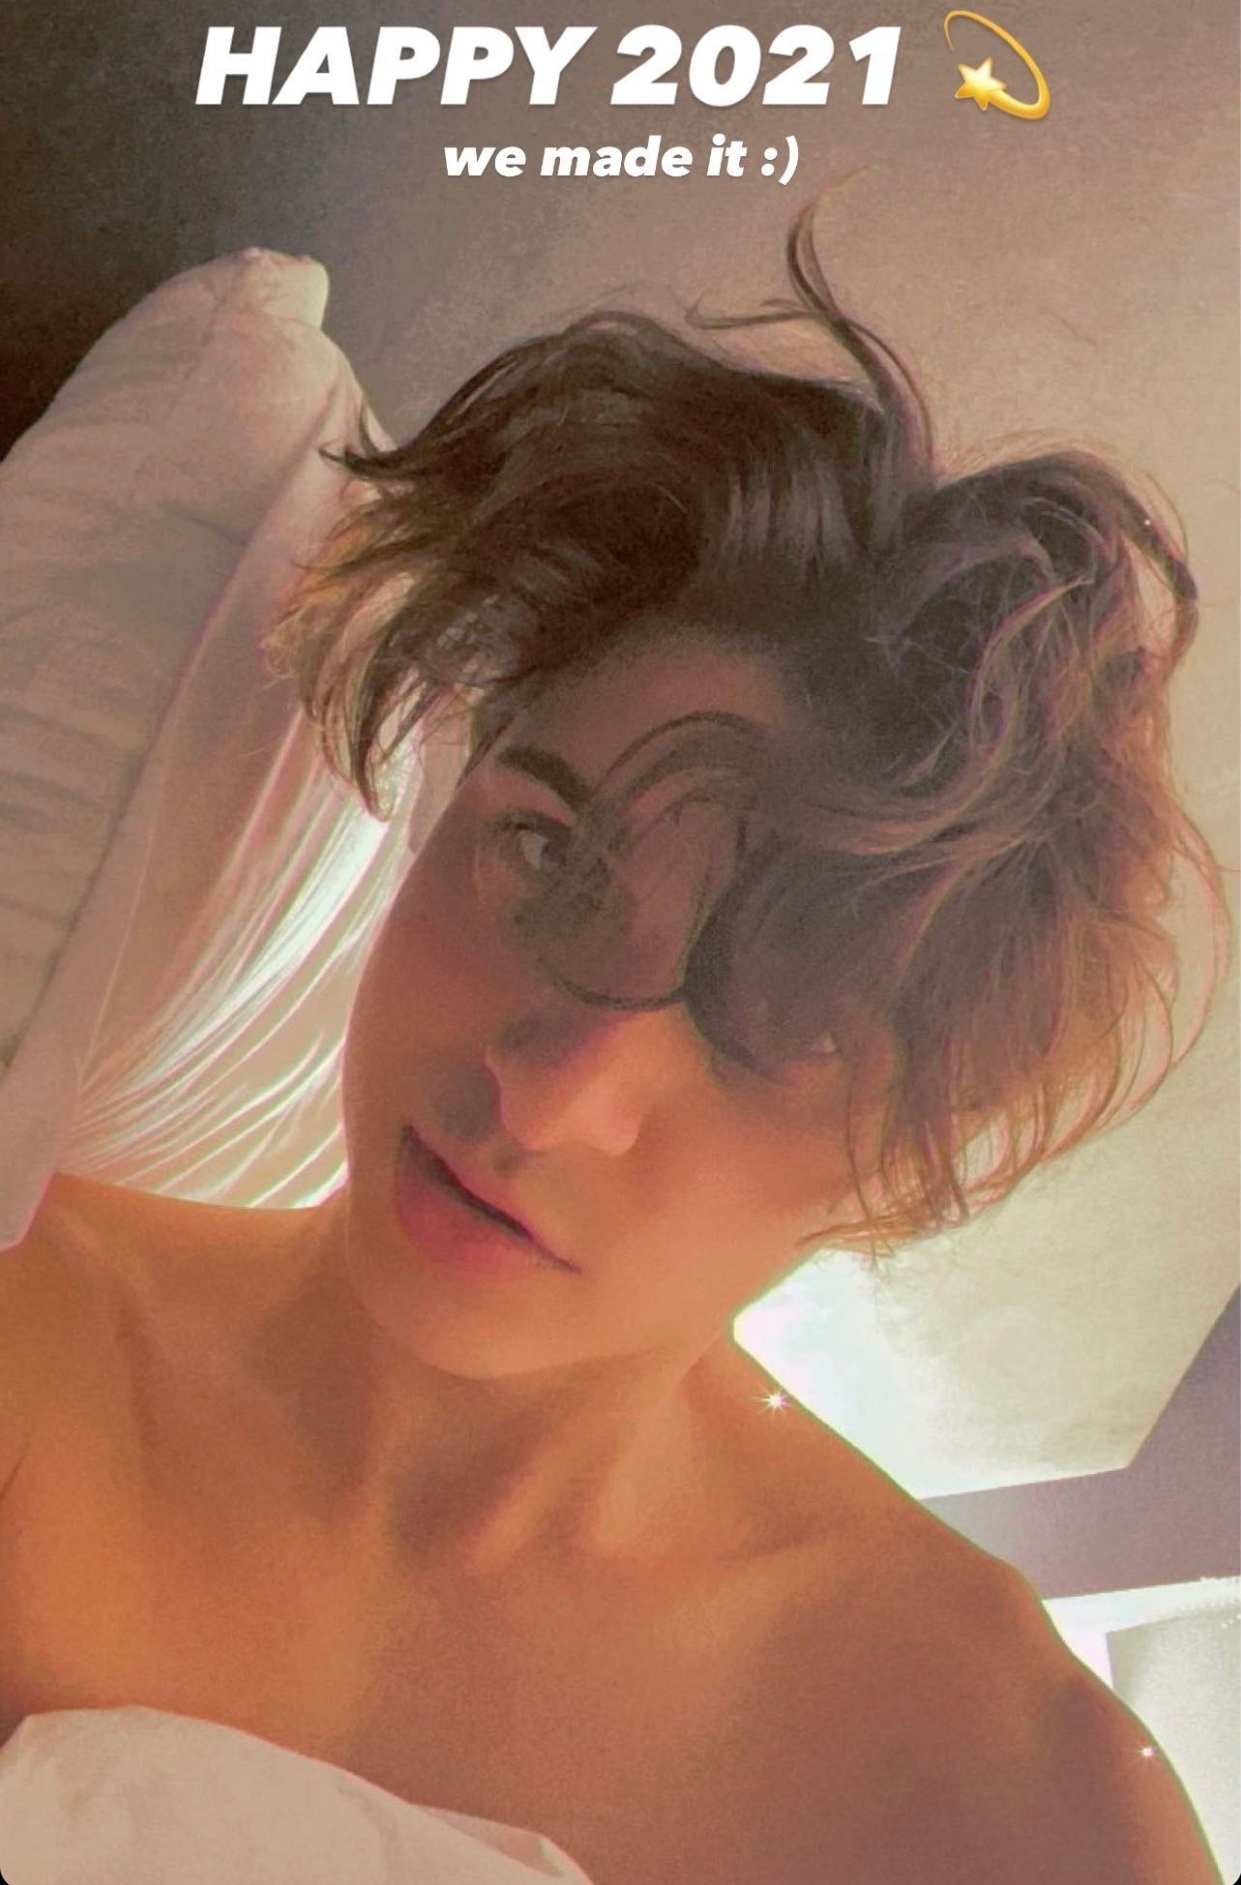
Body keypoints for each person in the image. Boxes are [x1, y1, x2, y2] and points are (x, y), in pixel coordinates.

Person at [0, 213, 1225, 1884]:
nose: (554, 1087)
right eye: (548, 858)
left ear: (905, 1160)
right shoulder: (35, 1343)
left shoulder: (1001, 1803)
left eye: (773, 1031)